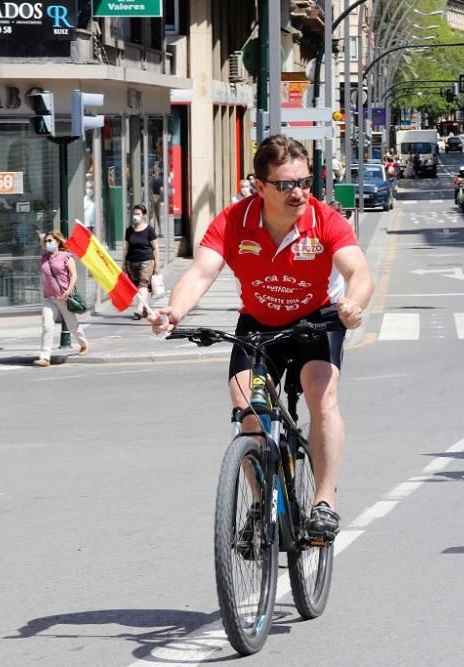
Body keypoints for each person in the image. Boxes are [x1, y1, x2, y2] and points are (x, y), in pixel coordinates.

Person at [150, 134, 373, 541]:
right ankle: (260, 502)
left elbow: (358, 272)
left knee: (322, 396)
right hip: (259, 323)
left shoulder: (325, 220)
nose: (299, 192)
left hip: (316, 321)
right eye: (286, 185)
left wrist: (354, 304)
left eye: (305, 182)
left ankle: (325, 502)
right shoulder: (235, 220)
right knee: (245, 409)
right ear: (260, 185)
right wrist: (174, 310)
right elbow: (202, 271)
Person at [35, 231, 88, 367]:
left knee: (72, 325)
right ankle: (45, 357)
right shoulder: (44, 258)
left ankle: (83, 344)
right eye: (46, 241)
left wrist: (69, 290)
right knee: (47, 326)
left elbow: (74, 275)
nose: (48, 243)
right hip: (48, 298)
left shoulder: (66, 257)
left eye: (51, 241)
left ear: (58, 241)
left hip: (63, 297)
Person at [123, 203, 160, 320]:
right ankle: (143, 307)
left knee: (143, 285)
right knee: (136, 287)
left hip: (146, 261)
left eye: (138, 214)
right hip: (131, 262)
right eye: (134, 214)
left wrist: (157, 265)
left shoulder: (149, 230)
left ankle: (138, 309)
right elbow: (126, 247)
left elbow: (156, 248)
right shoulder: (129, 230)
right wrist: (123, 264)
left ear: (144, 215)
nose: (135, 216)